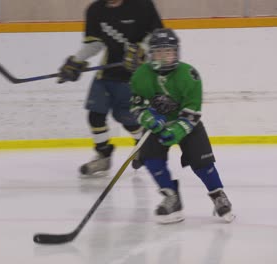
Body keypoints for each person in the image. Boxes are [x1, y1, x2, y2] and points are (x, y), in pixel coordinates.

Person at [129, 28, 235, 224]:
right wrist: (148, 117)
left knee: (203, 163)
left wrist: (176, 130)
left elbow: (193, 111)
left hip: (186, 124)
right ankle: (171, 197)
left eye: (168, 52)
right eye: (159, 52)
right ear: (151, 54)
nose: (163, 57)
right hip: (157, 125)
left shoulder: (189, 74)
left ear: (176, 53)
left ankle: (218, 195)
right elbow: (137, 105)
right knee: (151, 158)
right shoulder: (141, 75)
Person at [57, 0, 164, 177]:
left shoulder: (142, 5)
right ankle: (103, 156)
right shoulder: (95, 10)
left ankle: (141, 143)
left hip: (136, 75)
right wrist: (77, 61)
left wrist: (142, 49)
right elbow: (95, 43)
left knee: (127, 119)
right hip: (107, 73)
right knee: (95, 115)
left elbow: (158, 34)